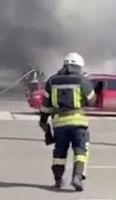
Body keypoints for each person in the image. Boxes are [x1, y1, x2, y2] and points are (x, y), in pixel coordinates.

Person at [38, 52, 95, 191]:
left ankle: (58, 179)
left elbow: (45, 105)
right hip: (78, 123)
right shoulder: (82, 80)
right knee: (80, 150)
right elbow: (92, 100)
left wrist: (43, 121)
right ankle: (77, 177)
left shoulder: (52, 81)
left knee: (59, 152)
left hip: (59, 124)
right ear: (79, 67)